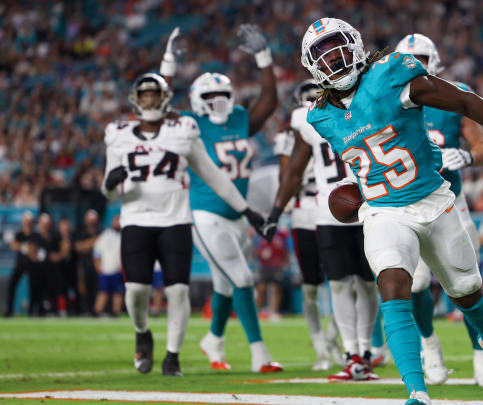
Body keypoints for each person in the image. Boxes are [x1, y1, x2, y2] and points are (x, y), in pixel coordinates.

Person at [278, 17, 483, 404]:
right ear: (313, 68)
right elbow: (364, 159)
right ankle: (417, 391)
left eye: (339, 47)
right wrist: (357, 194)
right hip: (383, 212)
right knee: (394, 285)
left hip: (434, 199)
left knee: (467, 292)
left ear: (356, 45)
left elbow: (463, 101)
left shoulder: (390, 73)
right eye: (324, 56)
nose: (335, 60)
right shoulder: (319, 116)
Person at [101, 72, 265, 377]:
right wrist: (111, 184)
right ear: (135, 100)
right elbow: (108, 191)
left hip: (176, 220)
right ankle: (142, 332)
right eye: (144, 96)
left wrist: (247, 210)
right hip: (136, 219)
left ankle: (172, 356)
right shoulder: (118, 134)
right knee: (136, 291)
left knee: (177, 292)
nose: (149, 101)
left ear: (164, 99)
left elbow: (214, 175)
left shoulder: (183, 130)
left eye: (154, 95)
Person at [160, 25, 283, 373]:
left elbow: (269, 102)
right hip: (206, 214)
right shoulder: (188, 124)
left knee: (225, 285)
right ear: (197, 101)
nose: (218, 101)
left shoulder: (240, 119)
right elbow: (160, 104)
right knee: (243, 279)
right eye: (210, 95)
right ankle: (260, 355)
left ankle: (213, 339)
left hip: (236, 216)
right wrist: (169, 64)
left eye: (222, 93)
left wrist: (263, 58)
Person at [393, 33, 483, 386]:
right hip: (408, 205)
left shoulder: (452, 94)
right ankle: (429, 346)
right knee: (417, 283)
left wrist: (467, 156)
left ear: (433, 60)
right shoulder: (386, 98)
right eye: (408, 59)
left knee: (467, 282)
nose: (414, 66)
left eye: (421, 57)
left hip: (451, 201)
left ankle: (481, 355)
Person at [268, 78, 380, 381]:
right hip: (329, 209)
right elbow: (294, 169)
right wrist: (277, 211)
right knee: (341, 283)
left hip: (371, 205)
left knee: (368, 283)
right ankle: (351, 353)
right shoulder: (306, 118)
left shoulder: (365, 105)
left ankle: (366, 350)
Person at [273, 80, 345, 371]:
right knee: (311, 287)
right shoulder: (292, 136)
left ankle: (334, 340)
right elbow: (289, 177)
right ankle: (321, 347)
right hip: (305, 214)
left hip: (336, 212)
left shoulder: (342, 123)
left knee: (345, 282)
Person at [5, 211, 36, 317]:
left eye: (29, 221)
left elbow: (33, 250)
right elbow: (14, 246)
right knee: (12, 285)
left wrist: (23, 247)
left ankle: (32, 311)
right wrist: (26, 247)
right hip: (20, 264)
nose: (27, 223)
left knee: (33, 288)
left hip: (32, 264)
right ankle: (9, 311)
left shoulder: (35, 235)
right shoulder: (19, 234)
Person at [93, 215, 125, 316]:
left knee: (118, 293)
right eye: (116, 221)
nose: (118, 223)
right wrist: (97, 266)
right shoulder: (105, 235)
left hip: (118, 270)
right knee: (103, 292)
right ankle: (97, 312)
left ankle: (116, 312)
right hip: (106, 269)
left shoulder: (124, 235)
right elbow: (96, 252)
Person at [74, 210, 100, 315]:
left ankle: (95, 311)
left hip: (97, 264)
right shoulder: (81, 232)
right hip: (84, 264)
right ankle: (85, 310)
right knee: (83, 288)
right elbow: (78, 247)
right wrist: (93, 242)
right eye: (90, 221)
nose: (91, 223)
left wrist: (86, 245)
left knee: (97, 288)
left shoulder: (100, 231)